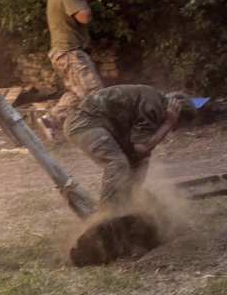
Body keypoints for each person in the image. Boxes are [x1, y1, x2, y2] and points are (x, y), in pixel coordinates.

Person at [63, 85, 197, 208]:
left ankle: (131, 204)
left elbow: (139, 153)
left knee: (140, 161)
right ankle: (108, 215)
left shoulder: (155, 102)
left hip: (97, 123)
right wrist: (168, 123)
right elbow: (142, 147)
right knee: (118, 164)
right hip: (83, 123)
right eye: (178, 124)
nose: (173, 130)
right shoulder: (154, 107)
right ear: (176, 111)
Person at [39, 0, 104, 143]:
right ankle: (104, 131)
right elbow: (84, 17)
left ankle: (50, 120)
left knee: (76, 94)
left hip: (63, 52)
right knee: (95, 91)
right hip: (69, 53)